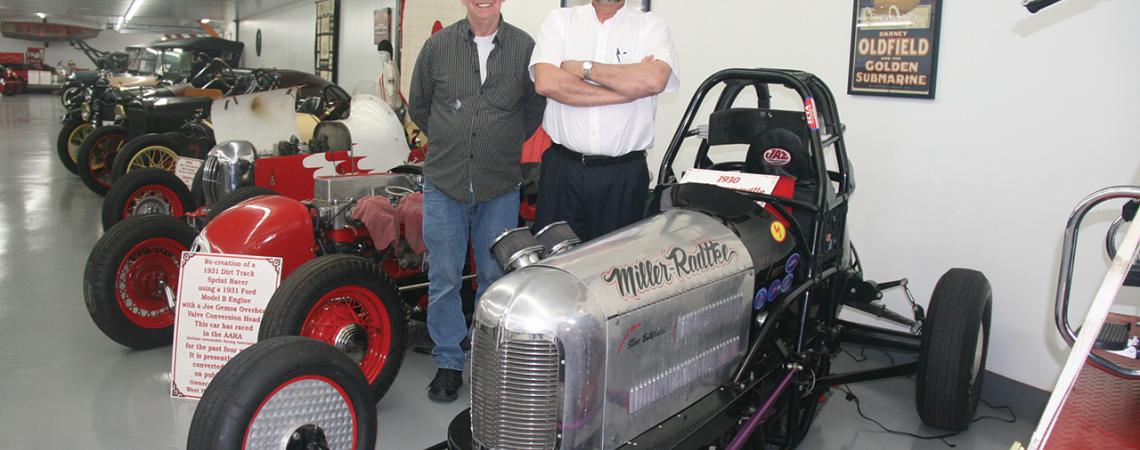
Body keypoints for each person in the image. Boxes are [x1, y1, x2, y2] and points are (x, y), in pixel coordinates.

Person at [409, 0, 545, 403]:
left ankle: (488, 363)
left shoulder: (524, 47)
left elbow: (534, 107)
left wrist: (498, 140)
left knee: (495, 280)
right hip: (444, 183)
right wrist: (453, 137)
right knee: (445, 279)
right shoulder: (437, 46)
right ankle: (449, 363)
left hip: (499, 184)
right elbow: (419, 104)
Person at [529, 0, 679, 241]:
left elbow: (654, 80)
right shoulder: (559, 21)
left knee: (616, 269)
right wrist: (624, 90)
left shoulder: (651, 27)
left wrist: (583, 68)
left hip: (623, 176)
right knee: (553, 266)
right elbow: (546, 82)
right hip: (562, 172)